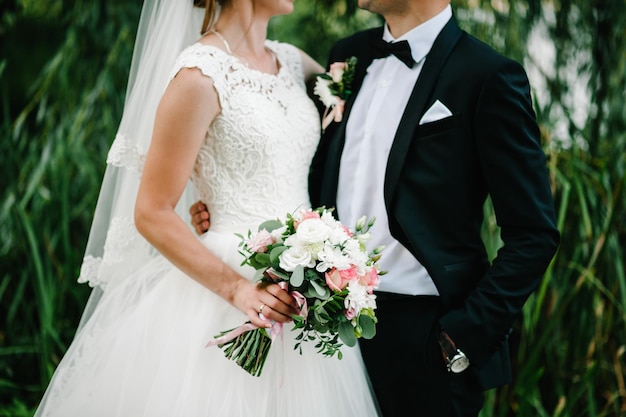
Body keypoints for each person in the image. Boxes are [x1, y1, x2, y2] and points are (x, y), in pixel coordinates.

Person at [192, 0, 560, 416]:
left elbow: (534, 234)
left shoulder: (486, 75)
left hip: (424, 339)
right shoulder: (346, 57)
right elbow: (285, 154)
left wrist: (460, 336)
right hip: (323, 328)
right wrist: (224, 206)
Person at [33, 1, 380, 416]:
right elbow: (152, 211)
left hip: (303, 286)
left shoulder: (293, 62)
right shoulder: (198, 77)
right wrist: (238, 289)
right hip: (226, 288)